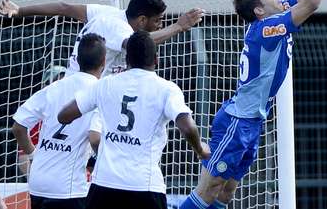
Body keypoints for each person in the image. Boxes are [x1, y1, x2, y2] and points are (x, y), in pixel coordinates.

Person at [180, 0, 327, 209]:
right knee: (209, 189)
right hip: (236, 122)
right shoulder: (266, 29)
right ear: (258, 10)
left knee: (226, 193)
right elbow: (311, 4)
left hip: (251, 121)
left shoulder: (272, 16)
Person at [58, 30, 210, 209]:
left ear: (127, 59)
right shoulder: (167, 89)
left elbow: (64, 115)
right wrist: (199, 149)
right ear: (156, 59)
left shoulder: (105, 84)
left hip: (105, 184)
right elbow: (187, 127)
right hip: (144, 186)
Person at [0, 0, 204, 77]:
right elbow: (140, 43)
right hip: (85, 100)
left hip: (78, 90)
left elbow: (63, 7)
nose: (160, 25)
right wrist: (178, 26)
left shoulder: (105, 12)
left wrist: (20, 10)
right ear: (141, 20)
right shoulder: (116, 26)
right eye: (157, 21)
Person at [12, 33, 106, 209]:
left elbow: (18, 127)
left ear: (77, 59)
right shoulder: (99, 92)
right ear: (104, 62)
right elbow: (94, 138)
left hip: (39, 182)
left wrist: (34, 155)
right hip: (68, 187)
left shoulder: (54, 88)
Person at [17, 65, 67, 178]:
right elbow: (23, 156)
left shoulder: (79, 109)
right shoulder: (36, 117)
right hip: (48, 176)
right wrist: (34, 177)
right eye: (57, 81)